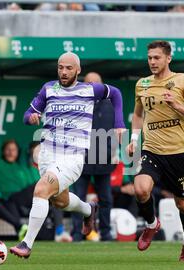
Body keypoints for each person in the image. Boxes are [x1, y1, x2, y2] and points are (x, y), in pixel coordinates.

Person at [10, 52, 125, 258]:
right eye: (60, 67)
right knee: (59, 201)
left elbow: (116, 93)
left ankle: (26, 244)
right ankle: (89, 210)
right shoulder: (49, 88)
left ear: (78, 70)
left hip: (72, 157)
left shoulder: (89, 89)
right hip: (48, 155)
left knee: (41, 190)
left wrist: (119, 123)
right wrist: (32, 117)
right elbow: (27, 115)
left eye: (69, 68)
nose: (64, 72)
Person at [126, 40, 184, 262]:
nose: (152, 61)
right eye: (149, 57)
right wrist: (134, 139)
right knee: (140, 189)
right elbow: (138, 115)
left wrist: (178, 106)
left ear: (168, 58)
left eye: (157, 57)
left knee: (183, 204)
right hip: (151, 150)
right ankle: (152, 224)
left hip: (178, 153)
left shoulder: (183, 80)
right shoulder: (142, 84)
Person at [71, 72, 117, 242]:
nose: (93, 86)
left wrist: (114, 151)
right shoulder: (76, 104)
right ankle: (77, 234)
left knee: (106, 200)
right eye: (89, 83)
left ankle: (106, 233)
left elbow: (116, 130)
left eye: (96, 83)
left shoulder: (111, 104)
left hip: (104, 160)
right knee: (77, 200)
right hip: (81, 160)